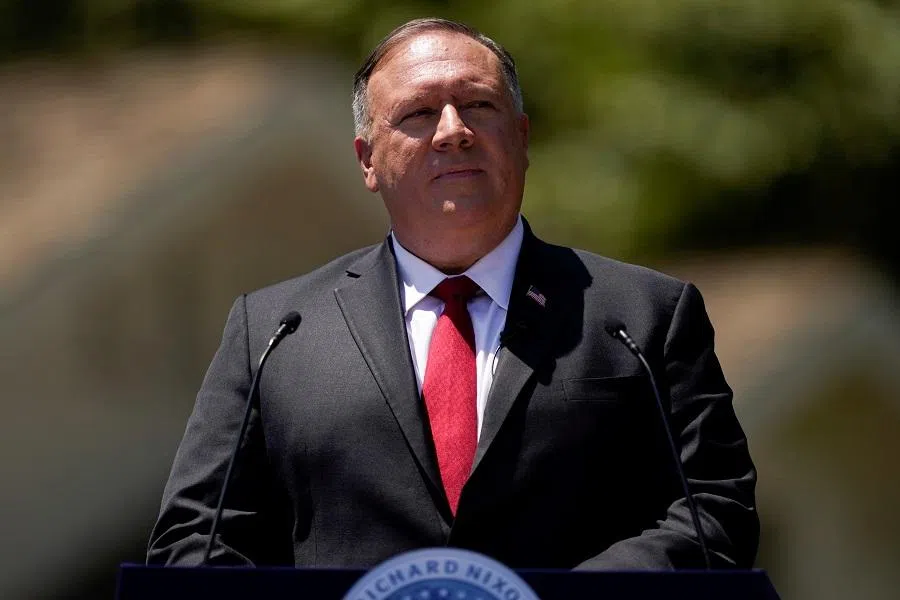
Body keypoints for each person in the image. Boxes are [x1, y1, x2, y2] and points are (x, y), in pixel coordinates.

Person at [147, 17, 759, 570]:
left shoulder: (642, 316)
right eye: (418, 113)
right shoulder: (277, 330)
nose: (453, 131)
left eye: (478, 106)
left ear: (521, 137)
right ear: (367, 159)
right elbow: (193, 542)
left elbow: (716, 513)